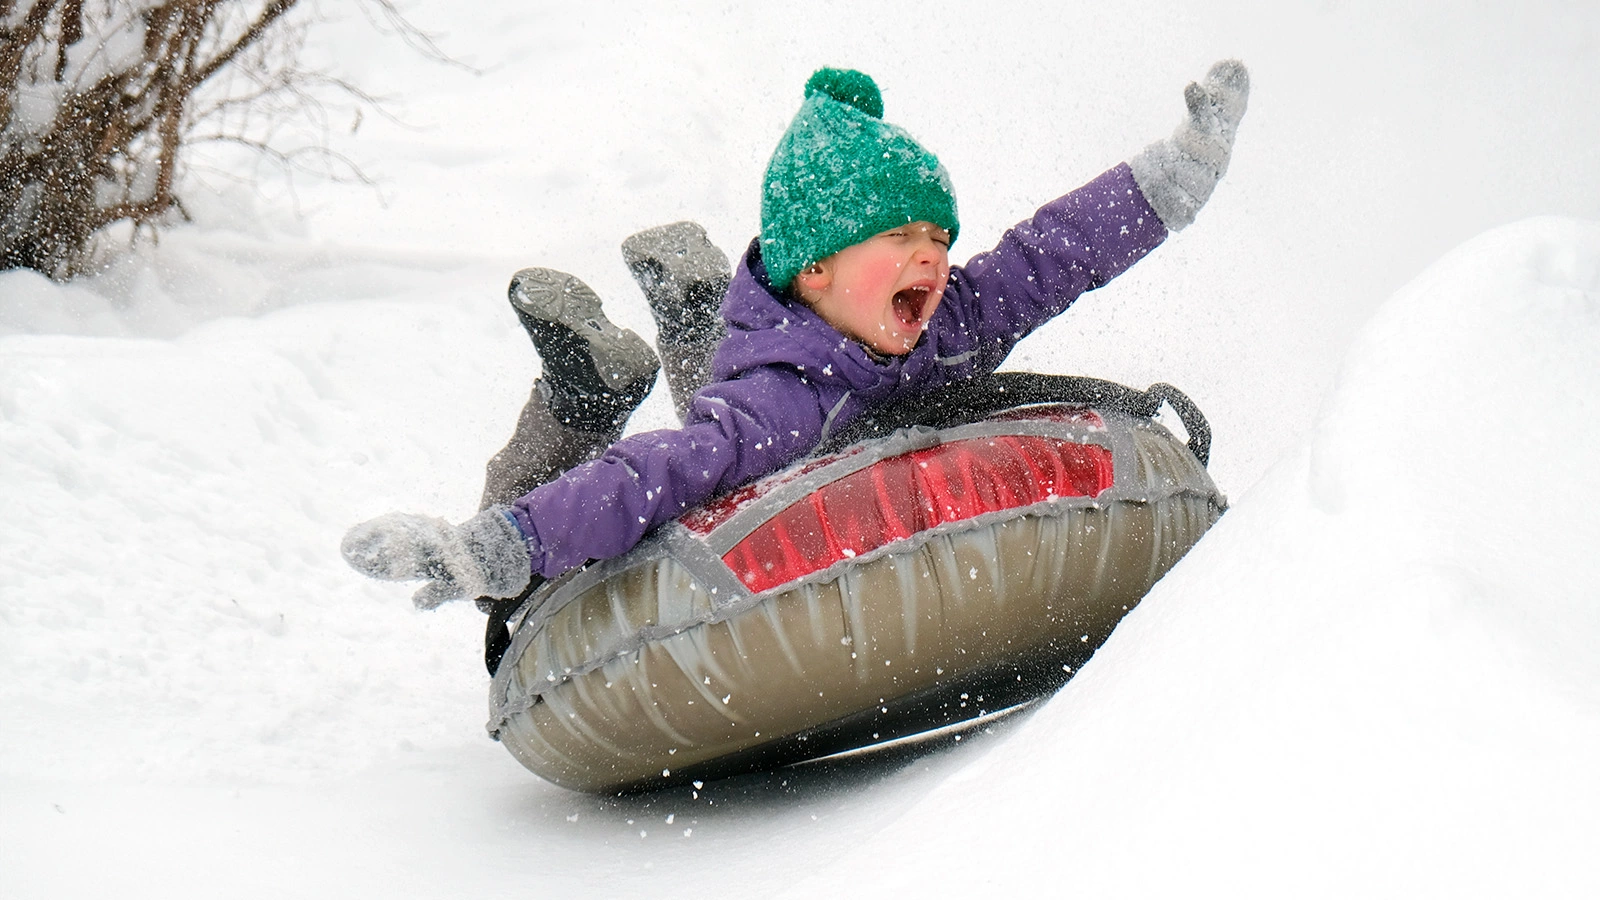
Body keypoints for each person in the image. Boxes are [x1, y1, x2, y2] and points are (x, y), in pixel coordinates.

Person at [341, 61, 1250, 657]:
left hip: (775, 352)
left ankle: (690, 311)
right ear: (816, 267)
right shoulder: (779, 402)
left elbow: (1051, 254)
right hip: (764, 387)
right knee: (717, 442)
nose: (934, 257)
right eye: (901, 237)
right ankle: (606, 383)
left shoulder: (952, 322)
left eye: (940, 236)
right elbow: (645, 477)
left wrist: (1169, 181)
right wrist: (499, 546)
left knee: (724, 399)